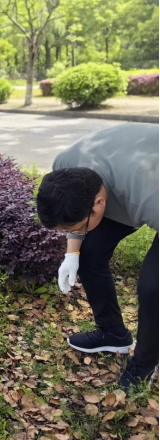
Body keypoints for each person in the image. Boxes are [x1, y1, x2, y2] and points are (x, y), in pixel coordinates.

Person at [37, 124, 159, 391]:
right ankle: (113, 333)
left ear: (100, 204)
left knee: (153, 286)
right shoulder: (63, 167)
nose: (71, 233)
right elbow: (75, 221)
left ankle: (145, 363)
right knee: (87, 253)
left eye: (76, 227)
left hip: (147, 184)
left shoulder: (150, 197)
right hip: (124, 176)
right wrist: (72, 253)